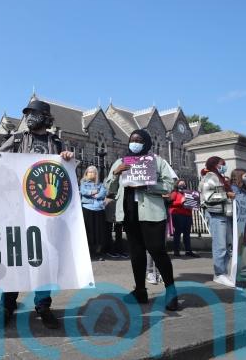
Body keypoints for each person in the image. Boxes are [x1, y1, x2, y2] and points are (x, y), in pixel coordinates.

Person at [0, 99, 74, 329]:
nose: (29, 117)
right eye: (27, 114)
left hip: (45, 211)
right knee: (14, 256)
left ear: (45, 117)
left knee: (44, 259)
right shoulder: (18, 139)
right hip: (17, 209)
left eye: (34, 113)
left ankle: (43, 306)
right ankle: (7, 306)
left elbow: (64, 172)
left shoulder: (55, 142)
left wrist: (67, 158)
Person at [104, 129, 178, 311]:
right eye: (132, 140)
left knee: (157, 250)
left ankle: (171, 291)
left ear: (146, 143)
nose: (135, 143)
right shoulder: (121, 162)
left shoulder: (157, 161)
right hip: (129, 213)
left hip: (152, 213)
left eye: (139, 140)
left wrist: (149, 185)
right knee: (136, 253)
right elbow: (109, 188)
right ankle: (140, 290)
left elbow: (170, 184)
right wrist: (116, 174)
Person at [198, 156, 236, 287]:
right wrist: (226, 195)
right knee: (220, 246)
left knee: (228, 245)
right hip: (216, 214)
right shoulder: (210, 177)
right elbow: (207, 197)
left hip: (226, 214)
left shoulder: (220, 178)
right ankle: (219, 273)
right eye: (222, 164)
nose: (224, 166)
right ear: (214, 164)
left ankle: (223, 272)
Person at [80, 166, 108, 261]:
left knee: (99, 232)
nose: (91, 174)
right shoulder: (83, 183)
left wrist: (95, 195)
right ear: (86, 173)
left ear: (96, 174)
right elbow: (83, 191)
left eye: (93, 172)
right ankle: (89, 252)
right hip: (87, 208)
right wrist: (94, 192)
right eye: (89, 172)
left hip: (99, 209)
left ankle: (98, 252)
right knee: (89, 231)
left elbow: (103, 193)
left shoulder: (100, 184)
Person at [169, 179, 199, 257]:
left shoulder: (188, 193)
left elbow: (193, 203)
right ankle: (176, 251)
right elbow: (170, 203)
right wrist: (180, 202)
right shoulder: (174, 193)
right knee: (178, 233)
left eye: (184, 184)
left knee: (187, 234)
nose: (183, 185)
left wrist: (195, 203)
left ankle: (188, 250)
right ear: (177, 184)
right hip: (178, 214)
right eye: (181, 183)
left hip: (187, 215)